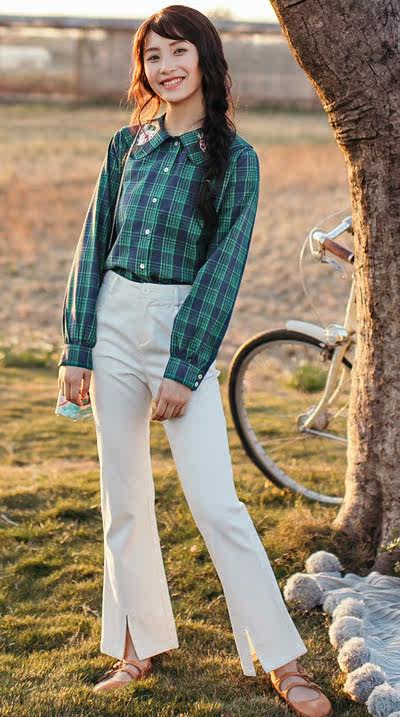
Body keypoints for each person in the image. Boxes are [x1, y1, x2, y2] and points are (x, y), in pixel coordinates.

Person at [57, 5, 333, 715]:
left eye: (178, 51)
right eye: (153, 56)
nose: (165, 67)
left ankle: (284, 662)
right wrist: (76, 349)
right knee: (124, 499)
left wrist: (184, 365)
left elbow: (224, 266)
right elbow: (93, 245)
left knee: (216, 502)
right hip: (114, 320)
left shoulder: (235, 159)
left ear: (205, 58)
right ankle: (136, 646)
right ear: (143, 69)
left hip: (182, 326)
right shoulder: (127, 146)